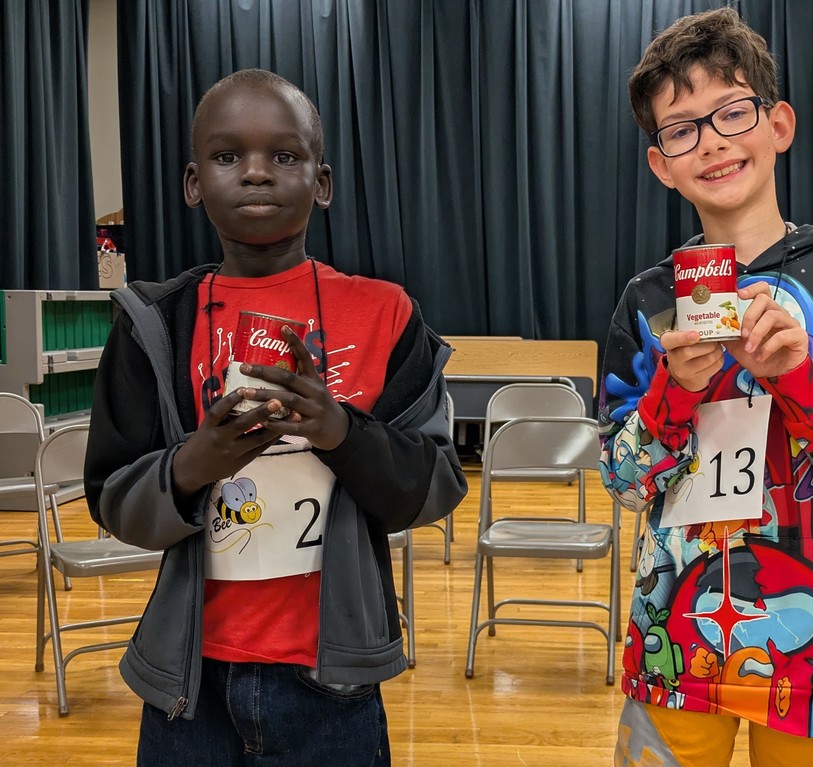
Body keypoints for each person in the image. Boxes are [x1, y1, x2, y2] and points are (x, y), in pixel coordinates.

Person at [84, 69, 467, 766]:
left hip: (336, 682)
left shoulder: (386, 312)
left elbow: (435, 483)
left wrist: (339, 430)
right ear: (193, 183)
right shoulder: (153, 323)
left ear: (321, 182)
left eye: (283, 156)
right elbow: (112, 498)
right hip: (188, 684)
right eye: (229, 157)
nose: (257, 174)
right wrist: (195, 461)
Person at [599, 9, 813, 766]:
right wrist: (672, 397)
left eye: (731, 111)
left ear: (778, 123)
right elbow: (620, 480)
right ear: (661, 163)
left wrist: (807, 388)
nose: (711, 140)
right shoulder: (649, 302)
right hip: (674, 648)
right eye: (681, 128)